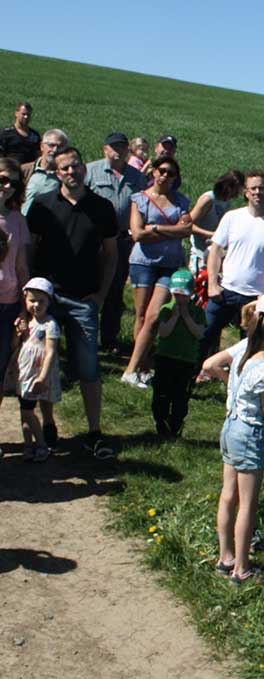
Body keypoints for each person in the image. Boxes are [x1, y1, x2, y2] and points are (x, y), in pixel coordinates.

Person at [25, 146, 117, 460]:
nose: (71, 172)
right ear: (56, 172)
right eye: (64, 168)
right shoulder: (43, 204)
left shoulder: (102, 208)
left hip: (83, 299)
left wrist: (101, 295)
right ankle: (48, 425)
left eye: (75, 166)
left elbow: (111, 255)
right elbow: (30, 249)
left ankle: (94, 432)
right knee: (44, 363)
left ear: (84, 167)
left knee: (89, 367)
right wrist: (33, 293)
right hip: (48, 298)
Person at [211, 307, 264, 585]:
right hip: (249, 434)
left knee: (228, 495)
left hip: (231, 426)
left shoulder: (243, 356)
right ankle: (242, 567)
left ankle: (226, 556)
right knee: (248, 504)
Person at [201, 170, 264, 360]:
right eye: (253, 188)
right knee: (203, 336)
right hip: (225, 292)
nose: (257, 192)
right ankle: (194, 375)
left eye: (261, 188)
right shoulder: (232, 217)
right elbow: (215, 250)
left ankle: (241, 377)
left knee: (252, 347)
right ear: (246, 192)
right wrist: (212, 284)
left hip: (256, 297)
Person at [120, 157, 192, 387]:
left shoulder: (181, 201)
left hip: (169, 264)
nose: (165, 176)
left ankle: (132, 369)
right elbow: (138, 234)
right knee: (141, 316)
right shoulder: (140, 199)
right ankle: (140, 367)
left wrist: (156, 228)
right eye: (162, 171)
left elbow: (185, 231)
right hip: (143, 262)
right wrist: (171, 231)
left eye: (171, 173)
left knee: (154, 317)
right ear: (154, 172)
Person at [85, 132, 147, 352]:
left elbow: (142, 206)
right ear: (105, 149)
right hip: (93, 239)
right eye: (114, 146)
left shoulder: (136, 177)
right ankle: (84, 335)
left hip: (121, 239)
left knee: (115, 288)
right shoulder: (90, 171)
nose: (118, 150)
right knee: (89, 284)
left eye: (122, 146)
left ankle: (109, 338)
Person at [150, 270, 205, 438]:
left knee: (180, 396)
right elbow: (164, 332)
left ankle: (176, 425)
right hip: (165, 358)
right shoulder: (166, 309)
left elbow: (199, 334)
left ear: (191, 294)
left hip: (186, 360)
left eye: (184, 296)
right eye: (176, 295)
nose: (180, 299)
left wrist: (186, 317)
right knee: (161, 394)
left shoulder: (198, 312)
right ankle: (161, 423)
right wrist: (175, 316)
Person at [15, 277, 60, 463]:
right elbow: (17, 346)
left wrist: (42, 377)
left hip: (38, 374)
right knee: (24, 410)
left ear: (49, 301)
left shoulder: (50, 324)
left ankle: (41, 444)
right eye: (32, 300)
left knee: (27, 410)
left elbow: (50, 352)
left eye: (41, 301)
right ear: (25, 300)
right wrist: (18, 332)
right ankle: (28, 445)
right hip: (25, 373)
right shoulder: (26, 322)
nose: (36, 305)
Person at [0, 159, 31, 402]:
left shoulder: (18, 220)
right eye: (2, 179)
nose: (7, 186)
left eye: (13, 182)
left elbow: (21, 267)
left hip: (7, 302)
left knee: (1, 366)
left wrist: (24, 307)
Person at [189, 170, 243, 274]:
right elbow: (188, 225)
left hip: (215, 253)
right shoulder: (208, 200)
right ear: (228, 187)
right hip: (200, 253)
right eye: (237, 191)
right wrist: (211, 234)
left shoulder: (227, 202)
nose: (237, 195)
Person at [20, 128, 68, 210]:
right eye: (51, 145)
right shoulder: (24, 170)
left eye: (60, 147)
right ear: (42, 146)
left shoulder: (66, 175)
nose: (55, 150)